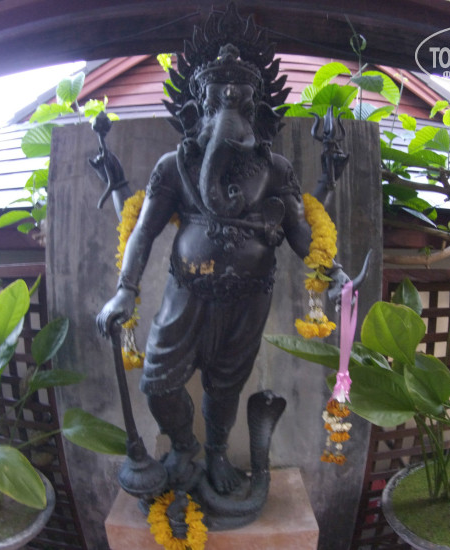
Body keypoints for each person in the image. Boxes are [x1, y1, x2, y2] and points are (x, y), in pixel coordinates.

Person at [95, 7, 348, 497]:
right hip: (186, 291)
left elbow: (298, 228)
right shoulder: (174, 166)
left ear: (256, 109)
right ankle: (184, 445)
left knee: (227, 382)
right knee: (158, 381)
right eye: (217, 96)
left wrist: (330, 270)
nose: (230, 100)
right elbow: (144, 231)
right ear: (197, 109)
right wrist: (125, 290)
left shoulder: (274, 168)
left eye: (241, 95)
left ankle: (215, 452)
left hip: (250, 295)